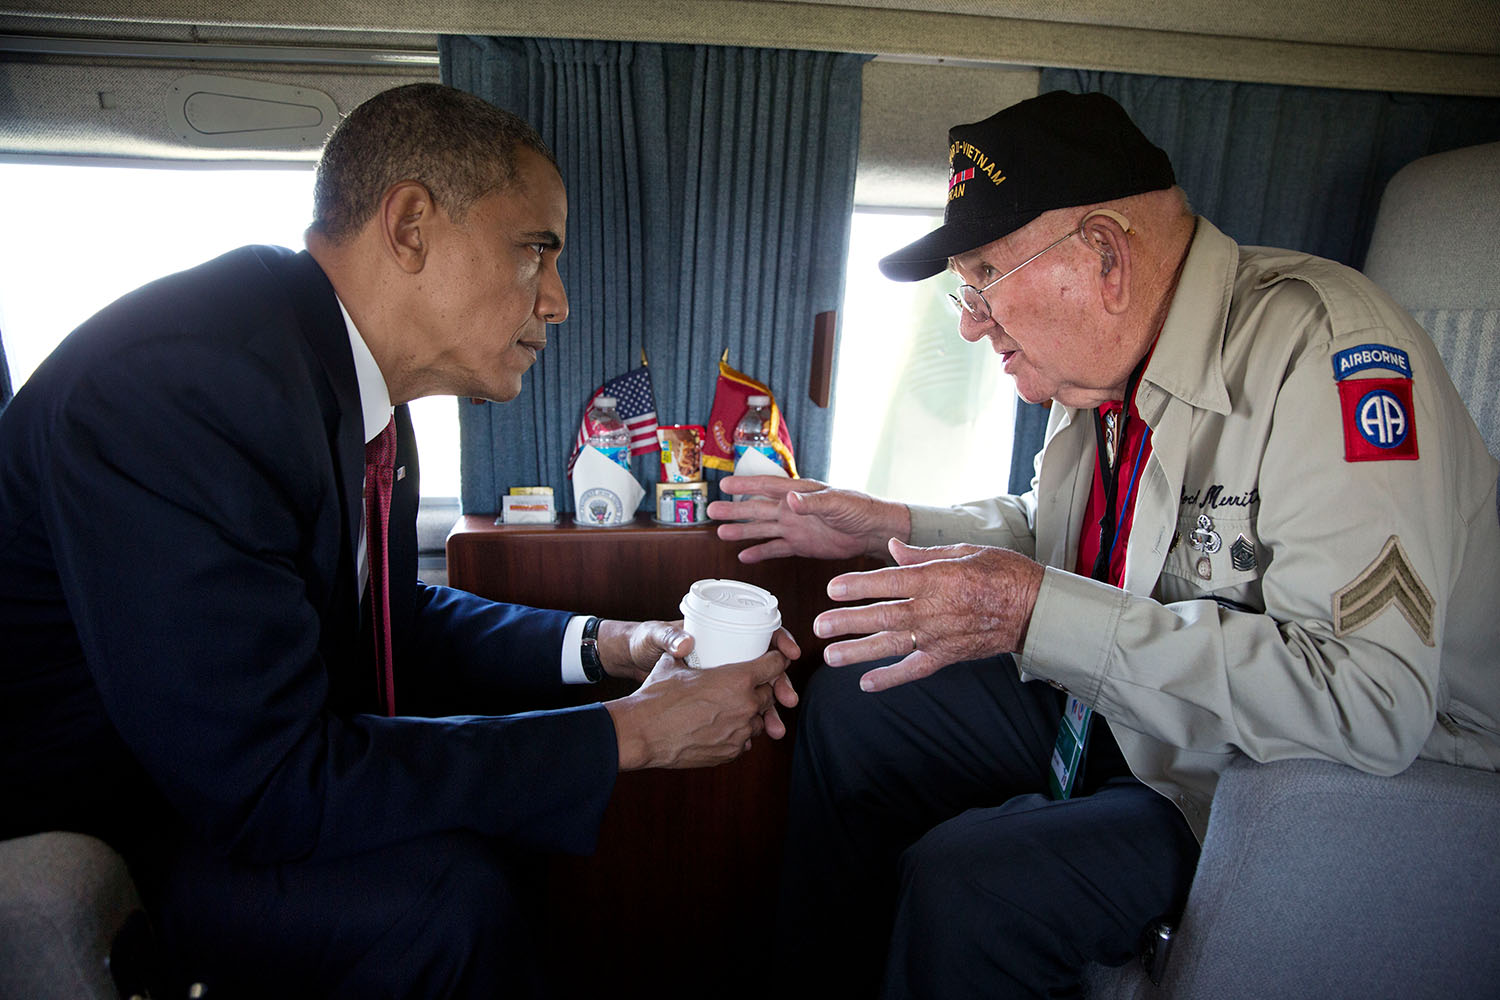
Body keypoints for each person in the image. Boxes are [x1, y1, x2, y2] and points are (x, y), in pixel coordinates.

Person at [0, 83, 799, 998]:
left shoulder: (351, 390)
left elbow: (392, 617)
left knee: (508, 822)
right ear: (411, 225)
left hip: (206, 780)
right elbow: (266, 786)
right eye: (535, 250)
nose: (559, 301)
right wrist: (633, 735)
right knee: (443, 899)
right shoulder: (185, 387)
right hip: (114, 814)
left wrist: (619, 648)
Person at [709, 90, 1500, 998]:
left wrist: (1030, 610)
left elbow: (1371, 701)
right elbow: (1077, 533)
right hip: (1147, 711)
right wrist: (899, 525)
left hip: (1287, 779)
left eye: (983, 278)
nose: (970, 322)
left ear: (1103, 258)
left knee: (969, 883)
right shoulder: (1103, 368)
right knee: (851, 705)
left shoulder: (1325, 358)